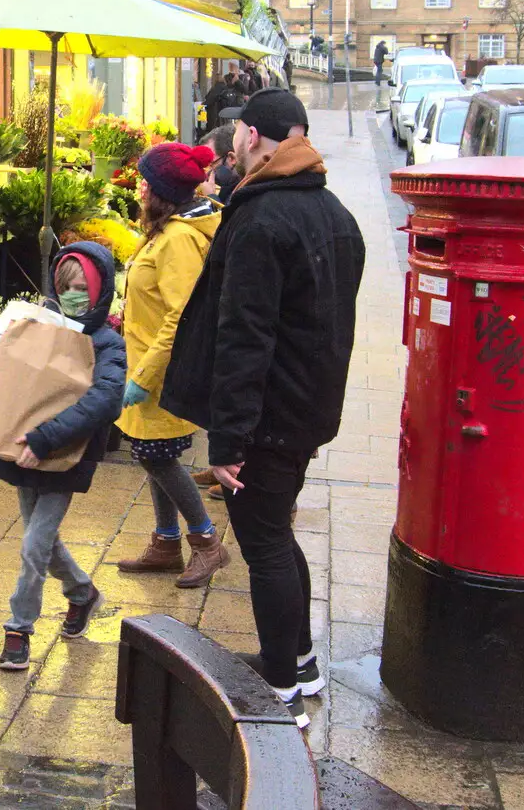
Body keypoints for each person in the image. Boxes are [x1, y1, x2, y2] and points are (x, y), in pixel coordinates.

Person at [161, 89, 365, 728]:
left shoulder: (258, 219)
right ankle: (299, 659)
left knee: (264, 543)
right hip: (306, 409)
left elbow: (244, 337)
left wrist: (228, 442)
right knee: (277, 531)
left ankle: (280, 685)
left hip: (268, 418)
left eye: (237, 137)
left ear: (250, 135)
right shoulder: (334, 212)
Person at [0, 243, 125, 670]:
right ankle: (82, 593)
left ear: (101, 290)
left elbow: (107, 399)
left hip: (64, 455)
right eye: (65, 287)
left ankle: (18, 629)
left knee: (34, 544)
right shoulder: (35, 324)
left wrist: (46, 439)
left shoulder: (107, 342)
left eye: (82, 288)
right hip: (22, 451)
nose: (74, 296)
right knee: (43, 539)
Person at [115, 144, 229, 588]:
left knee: (157, 457)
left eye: (145, 179)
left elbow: (179, 317)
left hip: (160, 370)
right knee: (150, 455)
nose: (139, 185)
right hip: (145, 363)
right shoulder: (168, 229)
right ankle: (165, 543)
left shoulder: (180, 240)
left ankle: (207, 542)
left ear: (162, 191)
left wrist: (143, 377)